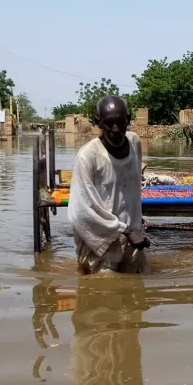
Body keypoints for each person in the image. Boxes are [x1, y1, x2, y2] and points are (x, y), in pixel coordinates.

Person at [67, 95, 149, 275]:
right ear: (98, 122)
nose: (116, 130)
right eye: (109, 124)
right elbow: (79, 210)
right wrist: (124, 230)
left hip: (133, 238)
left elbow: (133, 186)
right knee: (103, 296)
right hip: (100, 241)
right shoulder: (87, 156)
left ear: (128, 120)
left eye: (121, 123)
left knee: (135, 294)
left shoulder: (134, 142)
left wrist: (136, 223)